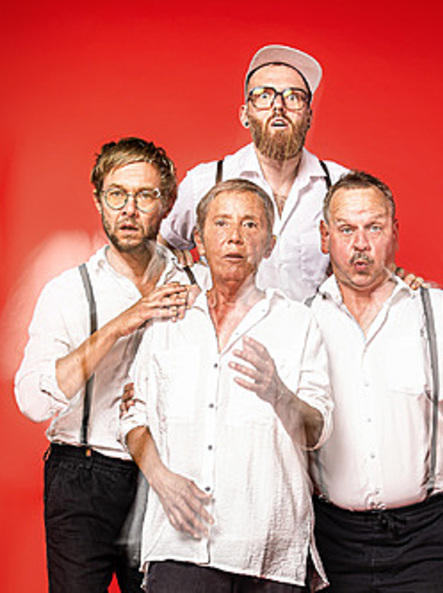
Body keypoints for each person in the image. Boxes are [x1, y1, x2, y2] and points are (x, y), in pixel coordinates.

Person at [120, 179, 333, 592]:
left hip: (269, 550)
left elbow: (316, 433)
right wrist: (160, 477)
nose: (234, 236)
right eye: (221, 223)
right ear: (199, 240)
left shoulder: (298, 323)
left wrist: (277, 392)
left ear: (270, 245)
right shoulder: (170, 318)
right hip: (179, 546)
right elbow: (132, 414)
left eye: (250, 224)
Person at [14, 137, 203, 592]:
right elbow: (32, 401)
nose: (129, 210)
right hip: (84, 476)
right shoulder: (67, 291)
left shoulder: (197, 284)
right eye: (117, 194)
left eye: (145, 195)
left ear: (168, 203)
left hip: (167, 480)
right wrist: (121, 324)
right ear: (98, 200)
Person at [308, 171, 443, 593]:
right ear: (325, 236)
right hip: (333, 538)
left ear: (394, 233)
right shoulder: (302, 321)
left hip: (429, 536)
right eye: (346, 229)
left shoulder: (440, 313)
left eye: (374, 228)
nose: (360, 244)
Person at [159, 44, 349, 302]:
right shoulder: (206, 180)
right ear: (245, 114)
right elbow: (160, 247)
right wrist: (180, 274)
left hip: (314, 327)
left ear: (309, 117)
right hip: (232, 327)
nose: (278, 106)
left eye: (293, 97)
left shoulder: (340, 185)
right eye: (263, 95)